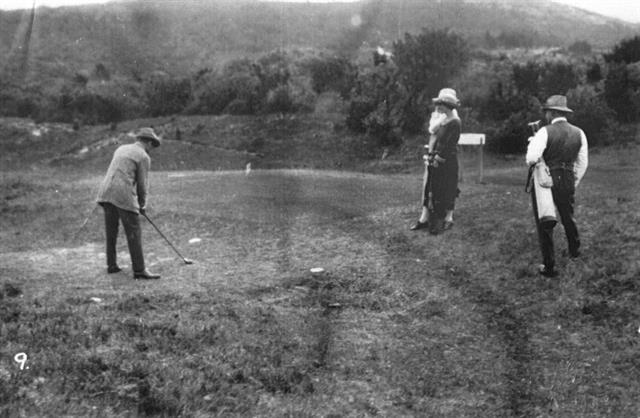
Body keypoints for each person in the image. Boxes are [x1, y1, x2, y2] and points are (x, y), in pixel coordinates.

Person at [526, 95, 588, 277]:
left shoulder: (544, 131)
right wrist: (573, 181)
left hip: (546, 179)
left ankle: (549, 265)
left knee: (545, 221)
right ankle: (575, 253)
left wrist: (532, 144)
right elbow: (583, 162)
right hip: (568, 178)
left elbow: (531, 158)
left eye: (547, 112)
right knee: (568, 216)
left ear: (552, 113)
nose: (546, 116)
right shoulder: (579, 133)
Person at [96, 127, 162, 280]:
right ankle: (139, 270)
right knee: (134, 232)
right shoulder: (143, 156)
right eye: (153, 145)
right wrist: (142, 205)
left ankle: (111, 265)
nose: (152, 149)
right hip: (123, 194)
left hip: (105, 192)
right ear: (148, 142)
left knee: (111, 231)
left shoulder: (121, 148)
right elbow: (142, 185)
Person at [410, 88, 461, 235]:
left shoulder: (455, 122)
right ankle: (426, 219)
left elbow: (450, 143)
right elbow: (437, 139)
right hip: (437, 158)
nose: (438, 107)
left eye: (441, 104)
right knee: (432, 187)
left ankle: (446, 219)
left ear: (447, 105)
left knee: (448, 187)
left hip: (448, 160)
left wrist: (439, 157)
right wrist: (432, 155)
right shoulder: (443, 120)